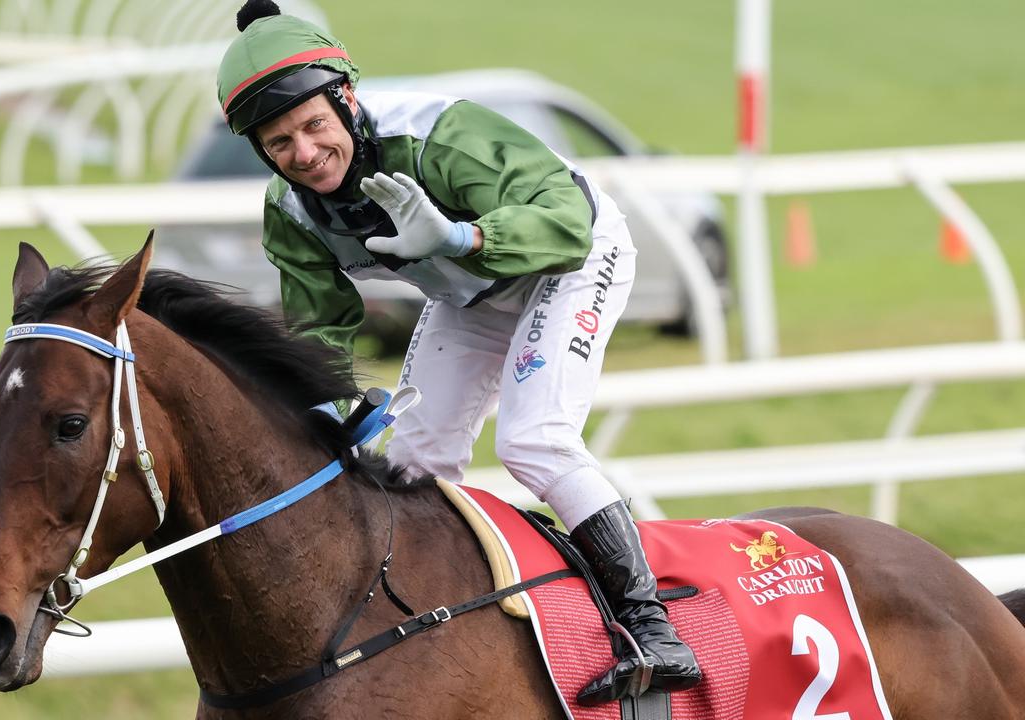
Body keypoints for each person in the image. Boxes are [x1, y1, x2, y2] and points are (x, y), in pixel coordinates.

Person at [215, 0, 700, 705]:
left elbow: (564, 224)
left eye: (315, 125)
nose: (304, 154)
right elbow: (317, 327)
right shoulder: (290, 212)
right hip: (470, 295)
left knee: (534, 440)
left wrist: (459, 240)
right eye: (278, 143)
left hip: (570, 259)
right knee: (408, 465)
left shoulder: (441, 136)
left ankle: (651, 628)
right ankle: (434, 623)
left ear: (347, 100)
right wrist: (326, 405)